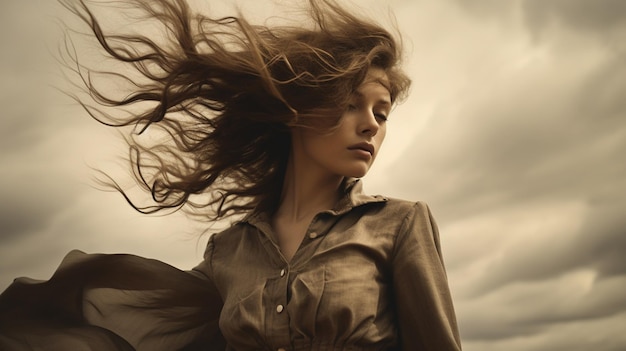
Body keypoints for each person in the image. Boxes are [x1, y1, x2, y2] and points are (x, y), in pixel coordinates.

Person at [0, 0, 461, 350]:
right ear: (294, 111)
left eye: (381, 114)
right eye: (350, 104)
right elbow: (160, 317)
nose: (370, 125)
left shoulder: (399, 224)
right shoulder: (229, 250)